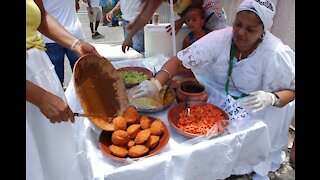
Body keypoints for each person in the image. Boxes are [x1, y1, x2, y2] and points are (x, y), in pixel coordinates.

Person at [130, 0, 295, 179]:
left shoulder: (275, 52)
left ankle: (246, 162)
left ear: (263, 31)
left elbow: (292, 90)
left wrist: (272, 98)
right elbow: (178, 61)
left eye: (250, 29)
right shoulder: (222, 38)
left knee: (240, 145)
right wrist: (155, 83)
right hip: (219, 95)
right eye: (238, 24)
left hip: (257, 106)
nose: (240, 32)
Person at [26, 0, 101, 179]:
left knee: (56, 155)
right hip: (32, 91)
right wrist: (39, 97)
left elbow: (41, 16)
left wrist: (75, 44)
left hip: (39, 71)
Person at [121, 0, 227, 53]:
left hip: (213, 17)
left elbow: (198, 3)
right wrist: (129, 37)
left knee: (214, 51)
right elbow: (145, 16)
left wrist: (181, 21)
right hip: (194, 20)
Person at [41, 0, 86, 86]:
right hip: (73, 34)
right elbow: (77, 7)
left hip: (51, 35)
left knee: (56, 81)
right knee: (82, 78)